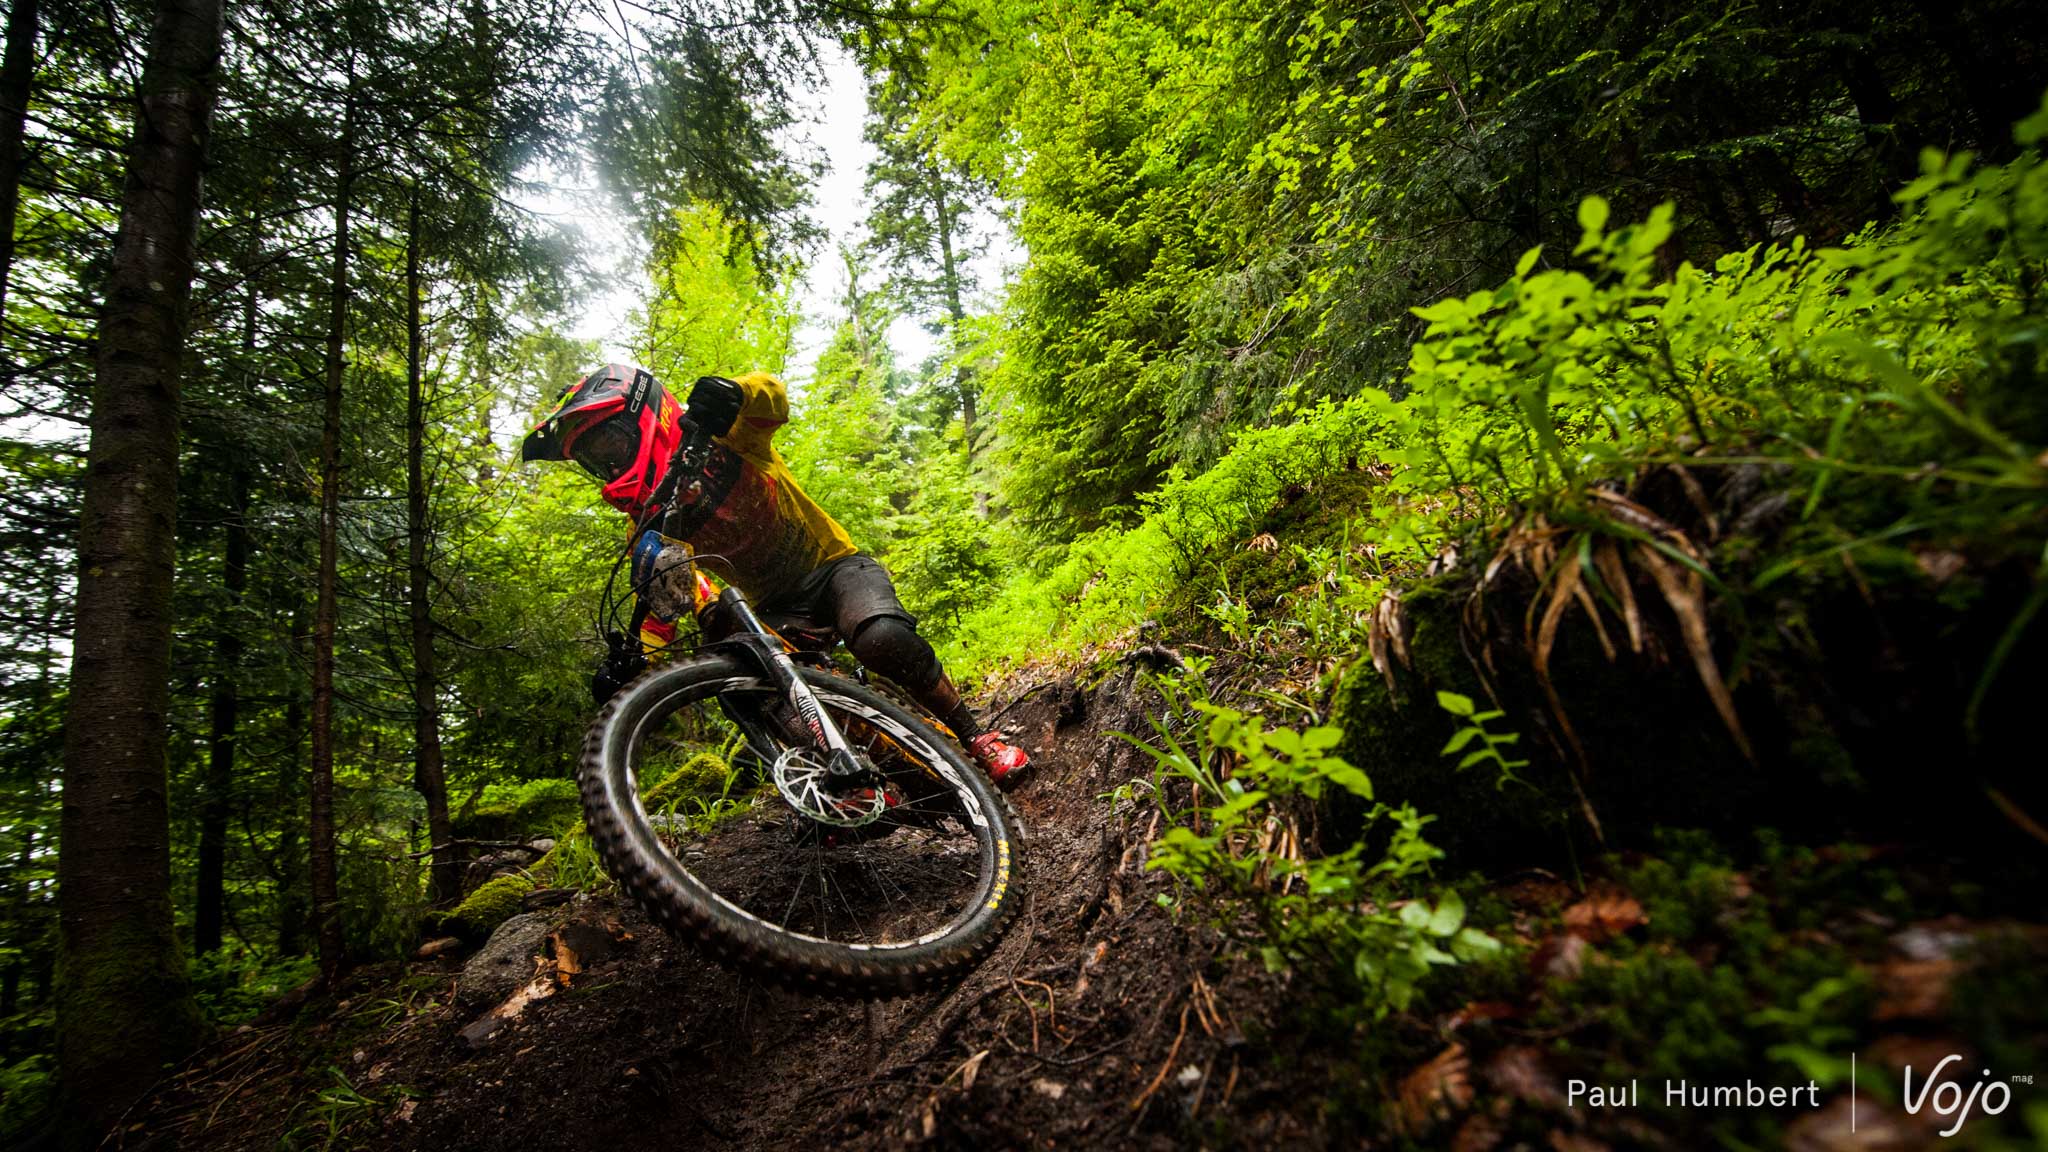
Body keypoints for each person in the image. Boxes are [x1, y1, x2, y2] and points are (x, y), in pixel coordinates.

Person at [521, 363, 1030, 785]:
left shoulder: (722, 436)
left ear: (641, 419)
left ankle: (975, 737)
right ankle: (859, 783)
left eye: (606, 446)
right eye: (593, 461)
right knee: (755, 683)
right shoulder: (651, 524)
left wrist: (734, 393)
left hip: (833, 567)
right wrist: (635, 662)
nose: (606, 466)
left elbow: (772, 401)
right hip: (775, 611)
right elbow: (671, 601)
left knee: (882, 638)